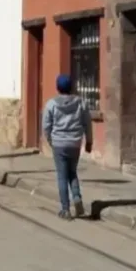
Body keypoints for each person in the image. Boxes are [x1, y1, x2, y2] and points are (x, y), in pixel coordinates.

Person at [42, 74, 93, 219]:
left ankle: (65, 209)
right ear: (71, 87)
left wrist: (49, 139)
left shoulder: (51, 104)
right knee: (72, 172)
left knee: (62, 176)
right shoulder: (81, 102)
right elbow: (87, 123)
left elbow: (46, 125)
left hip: (59, 143)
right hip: (75, 143)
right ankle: (77, 197)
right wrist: (89, 141)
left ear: (58, 87)